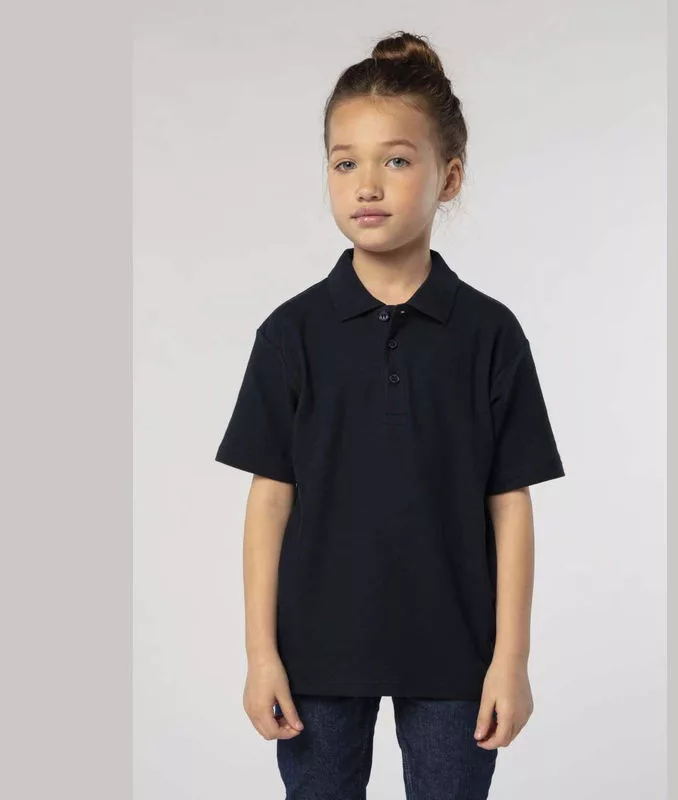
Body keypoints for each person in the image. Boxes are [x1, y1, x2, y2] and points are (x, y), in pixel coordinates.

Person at [215, 30, 566, 800]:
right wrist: (261, 654)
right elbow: (269, 500)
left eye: (396, 161)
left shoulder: (491, 335)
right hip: (315, 655)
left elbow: (510, 504)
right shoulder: (290, 335)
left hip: (457, 655)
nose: (367, 185)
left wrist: (511, 659)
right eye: (345, 163)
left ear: (450, 176)